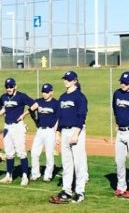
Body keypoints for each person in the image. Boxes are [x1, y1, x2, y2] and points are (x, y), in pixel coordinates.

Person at [49, 71, 88, 204]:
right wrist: (57, 133)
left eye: (68, 79)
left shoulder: (80, 97)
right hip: (64, 131)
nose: (65, 81)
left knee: (79, 163)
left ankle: (80, 192)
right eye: (65, 79)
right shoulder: (62, 97)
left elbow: (81, 116)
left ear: (74, 81)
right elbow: (59, 117)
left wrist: (76, 134)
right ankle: (66, 190)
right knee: (66, 164)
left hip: (76, 131)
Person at [0, 78, 36, 185]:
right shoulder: (4, 97)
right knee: (8, 153)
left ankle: (25, 176)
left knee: (21, 152)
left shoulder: (21, 96)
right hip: (7, 126)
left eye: (11, 86)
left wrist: (24, 115)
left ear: (15, 86)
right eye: (7, 87)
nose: (9, 89)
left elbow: (34, 105)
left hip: (18, 127)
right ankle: (9, 175)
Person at [29, 83, 59, 182]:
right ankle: (35, 174)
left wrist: (56, 131)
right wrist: (35, 120)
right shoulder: (39, 101)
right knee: (34, 152)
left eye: (46, 92)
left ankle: (48, 175)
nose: (44, 94)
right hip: (40, 130)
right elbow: (31, 109)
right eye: (43, 92)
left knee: (49, 154)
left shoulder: (56, 103)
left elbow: (58, 118)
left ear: (51, 92)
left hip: (50, 131)